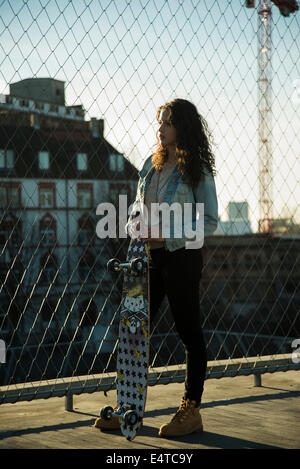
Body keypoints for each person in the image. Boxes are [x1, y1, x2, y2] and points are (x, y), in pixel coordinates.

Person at [94, 98, 218, 438]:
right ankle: (127, 407)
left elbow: (208, 221)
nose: (159, 128)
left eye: (166, 122)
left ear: (183, 127)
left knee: (188, 331)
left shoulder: (196, 169)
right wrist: (135, 224)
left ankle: (191, 409)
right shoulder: (151, 165)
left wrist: (167, 232)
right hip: (147, 258)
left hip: (182, 257)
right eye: (158, 122)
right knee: (133, 332)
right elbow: (137, 207)